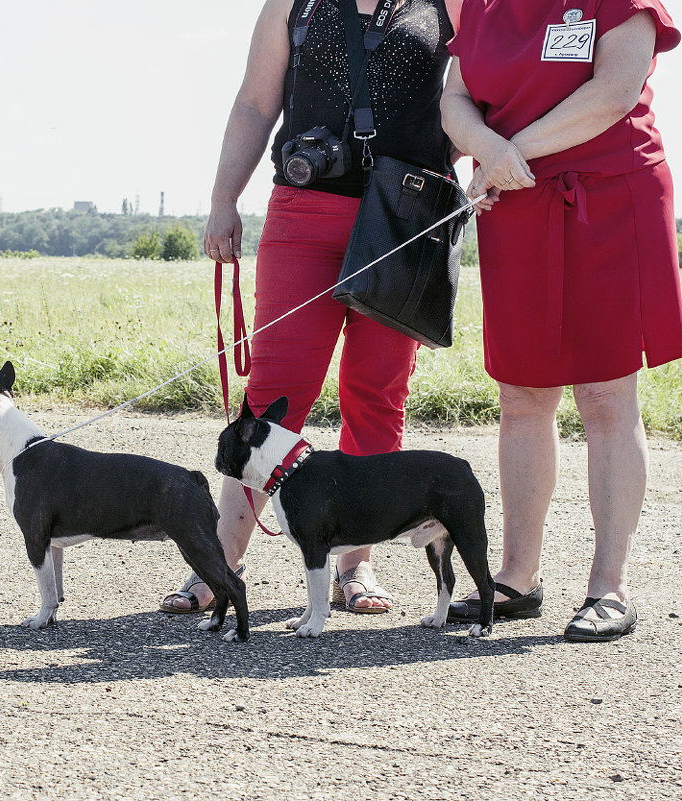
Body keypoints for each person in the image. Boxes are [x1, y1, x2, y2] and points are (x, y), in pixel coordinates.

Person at [160, 0, 463, 616]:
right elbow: (254, 103)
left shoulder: (446, 5)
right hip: (303, 215)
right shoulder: (294, 5)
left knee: (376, 394)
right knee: (273, 395)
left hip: (402, 219)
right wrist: (224, 200)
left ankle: (357, 567)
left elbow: (470, 103)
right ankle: (220, 564)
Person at [439, 0, 682, 641]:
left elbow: (613, 92)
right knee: (522, 392)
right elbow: (455, 100)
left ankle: (609, 586)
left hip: (610, 196)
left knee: (605, 393)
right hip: (516, 202)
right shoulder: (479, 5)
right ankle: (517, 578)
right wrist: (488, 149)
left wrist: (505, 153)